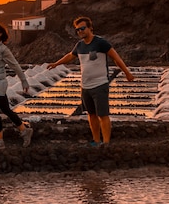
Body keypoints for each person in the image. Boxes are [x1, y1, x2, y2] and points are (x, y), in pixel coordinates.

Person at [48, 16, 134, 146]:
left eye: (82, 28)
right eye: (77, 30)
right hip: (85, 87)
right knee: (91, 115)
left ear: (90, 28)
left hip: (100, 84)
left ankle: (106, 143)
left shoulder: (100, 43)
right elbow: (70, 56)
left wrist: (127, 73)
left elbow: (116, 58)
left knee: (103, 115)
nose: (80, 31)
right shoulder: (80, 45)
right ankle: (96, 140)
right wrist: (56, 63)